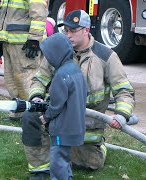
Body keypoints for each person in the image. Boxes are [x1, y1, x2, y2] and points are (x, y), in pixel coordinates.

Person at [22, 9, 135, 179]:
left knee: (90, 162)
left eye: (73, 31)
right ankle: (40, 169)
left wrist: (122, 115)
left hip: (87, 123)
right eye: (66, 30)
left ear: (86, 30)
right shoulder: (57, 52)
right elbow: (39, 79)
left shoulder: (106, 56)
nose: (68, 35)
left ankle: (98, 148)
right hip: (58, 117)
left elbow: (124, 90)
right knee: (30, 117)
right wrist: (36, 97)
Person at [39, 33, 87, 179]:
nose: (47, 58)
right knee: (64, 158)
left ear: (56, 54)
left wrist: (46, 117)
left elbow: (56, 105)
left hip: (62, 128)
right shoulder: (75, 69)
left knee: (58, 161)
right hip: (76, 126)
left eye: (48, 55)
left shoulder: (61, 75)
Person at [0, 0, 48, 120]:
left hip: (25, 44)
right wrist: (1, 39)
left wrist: (34, 39)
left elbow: (39, 13)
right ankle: (18, 112)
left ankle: (34, 116)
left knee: (26, 79)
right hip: (10, 42)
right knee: (11, 79)